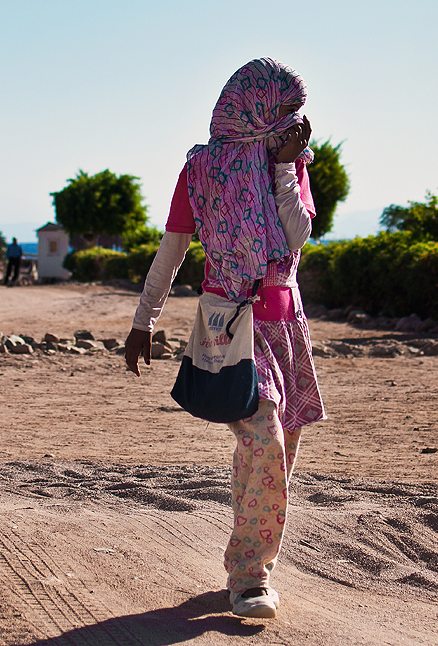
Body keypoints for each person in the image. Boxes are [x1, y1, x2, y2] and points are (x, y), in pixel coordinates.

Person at [124, 58, 326, 619]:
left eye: (296, 111)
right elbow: (173, 249)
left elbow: (298, 236)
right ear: (254, 109)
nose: (296, 122)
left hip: (285, 324)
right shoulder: (202, 171)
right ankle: (250, 579)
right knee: (264, 441)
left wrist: (285, 170)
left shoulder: (294, 165)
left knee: (275, 458)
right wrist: (145, 321)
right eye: (285, 111)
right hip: (228, 325)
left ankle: (251, 561)